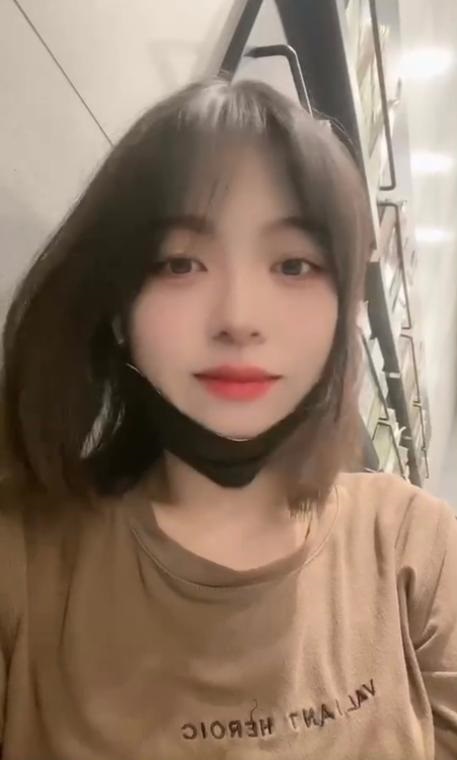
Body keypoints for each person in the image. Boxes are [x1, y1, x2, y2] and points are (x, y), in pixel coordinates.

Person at [0, 78, 456, 760]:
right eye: (179, 263)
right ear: (117, 308)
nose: (239, 318)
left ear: (344, 312)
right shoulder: (23, 557)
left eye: (293, 265)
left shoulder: (413, 545)